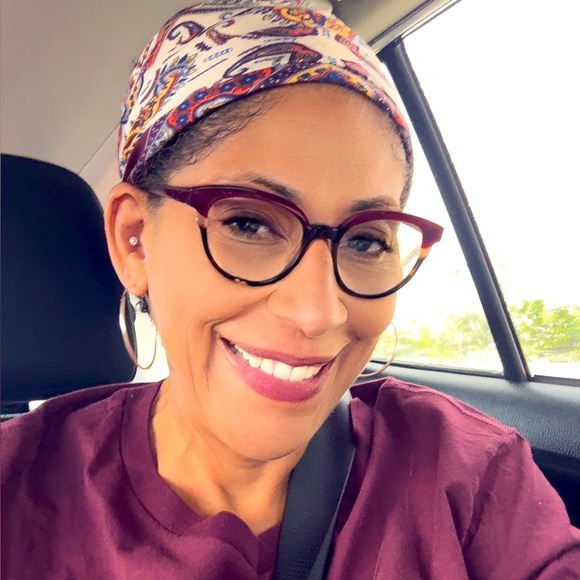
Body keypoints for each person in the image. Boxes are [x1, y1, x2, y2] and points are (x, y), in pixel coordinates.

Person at [2, 1, 579, 578]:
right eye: (248, 223)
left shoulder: (467, 476)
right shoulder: (19, 490)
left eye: (365, 241)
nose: (318, 312)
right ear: (135, 240)